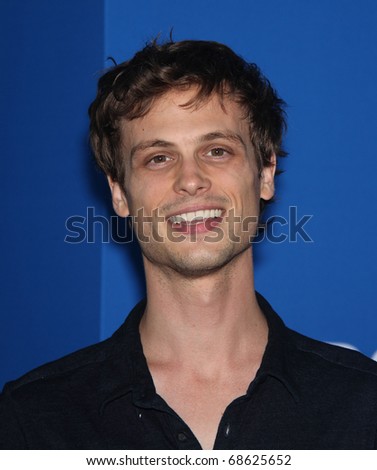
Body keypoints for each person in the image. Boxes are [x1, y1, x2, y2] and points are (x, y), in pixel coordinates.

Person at [1, 39, 376, 450]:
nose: (191, 179)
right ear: (119, 193)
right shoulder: (34, 420)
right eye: (158, 158)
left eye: (217, 150)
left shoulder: (364, 404)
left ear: (265, 171)